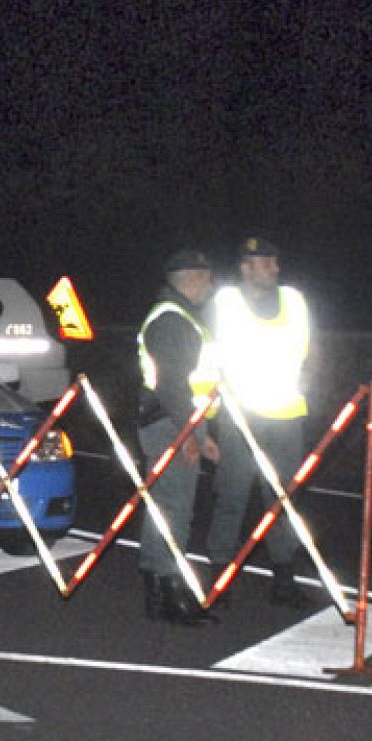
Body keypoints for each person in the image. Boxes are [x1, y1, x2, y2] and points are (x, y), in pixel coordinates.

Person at [206, 237, 314, 608]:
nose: (275, 267)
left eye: (275, 261)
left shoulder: (295, 300)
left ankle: (284, 578)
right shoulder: (224, 303)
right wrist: (207, 420)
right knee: (231, 494)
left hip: (286, 414)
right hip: (240, 415)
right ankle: (219, 577)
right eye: (265, 262)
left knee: (283, 500)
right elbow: (208, 357)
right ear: (245, 267)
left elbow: (307, 351)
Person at [135, 249, 220, 625]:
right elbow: (172, 384)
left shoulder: (174, 315)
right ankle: (167, 589)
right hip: (171, 423)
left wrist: (201, 433)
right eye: (208, 278)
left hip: (177, 422)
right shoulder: (173, 320)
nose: (211, 286)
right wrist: (189, 433)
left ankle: (162, 589)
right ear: (192, 278)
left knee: (169, 507)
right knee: (173, 510)